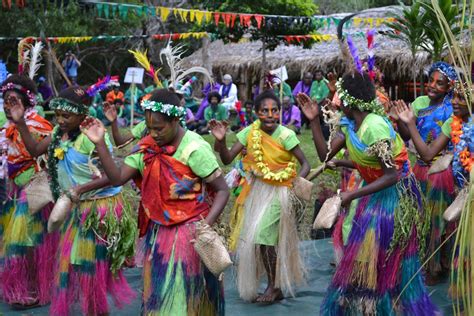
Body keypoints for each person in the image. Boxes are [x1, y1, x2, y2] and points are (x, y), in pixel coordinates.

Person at [297, 71, 438, 314]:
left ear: (350, 101)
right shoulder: (351, 123)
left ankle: (386, 305)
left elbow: (391, 174)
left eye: (340, 96)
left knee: (381, 257)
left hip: (395, 196)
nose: (337, 100)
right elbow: (325, 156)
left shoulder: (374, 127)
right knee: (365, 254)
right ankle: (369, 305)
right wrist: (312, 121)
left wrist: (351, 195)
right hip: (375, 193)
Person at [81, 88, 229, 315]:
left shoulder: (195, 149)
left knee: (185, 293)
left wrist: (205, 226)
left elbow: (222, 191)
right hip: (159, 232)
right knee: (160, 293)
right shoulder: (146, 148)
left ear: (176, 120)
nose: (153, 134)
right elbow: (117, 178)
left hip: (191, 233)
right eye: (149, 128)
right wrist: (100, 144)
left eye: (158, 128)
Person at [9, 86, 136, 315]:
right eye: (57, 115)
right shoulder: (59, 132)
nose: (60, 120)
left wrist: (81, 188)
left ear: (82, 114)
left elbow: (112, 177)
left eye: (66, 115)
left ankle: (96, 310)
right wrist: (20, 124)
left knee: (86, 266)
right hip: (76, 206)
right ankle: (93, 308)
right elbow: (35, 149)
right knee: (74, 265)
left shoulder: (91, 138)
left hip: (97, 209)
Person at [210, 90, 310, 303]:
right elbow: (227, 158)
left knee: (262, 236)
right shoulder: (249, 133)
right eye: (265, 111)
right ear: (256, 113)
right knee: (259, 240)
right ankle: (274, 285)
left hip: (281, 192)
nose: (271, 115)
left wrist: (294, 185)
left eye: (275, 110)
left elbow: (306, 164)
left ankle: (274, 287)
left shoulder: (286, 135)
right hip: (258, 191)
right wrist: (221, 141)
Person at [395, 61, 458, 284]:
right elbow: (406, 135)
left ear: (449, 87)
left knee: (436, 220)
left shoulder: (452, 112)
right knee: (419, 217)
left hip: (439, 172)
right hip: (419, 169)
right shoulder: (421, 102)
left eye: (439, 83)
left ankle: (435, 266)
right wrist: (401, 120)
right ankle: (423, 261)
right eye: (430, 80)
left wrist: (410, 124)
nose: (431, 86)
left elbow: (430, 154)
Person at [0, 75, 58, 309]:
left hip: (35, 191)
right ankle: (24, 288)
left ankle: (33, 290)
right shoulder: (5, 126)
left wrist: (20, 123)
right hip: (14, 191)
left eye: (13, 100)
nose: (7, 104)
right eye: (5, 100)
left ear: (27, 102)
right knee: (20, 242)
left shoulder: (39, 125)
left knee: (24, 242)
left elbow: (36, 153)